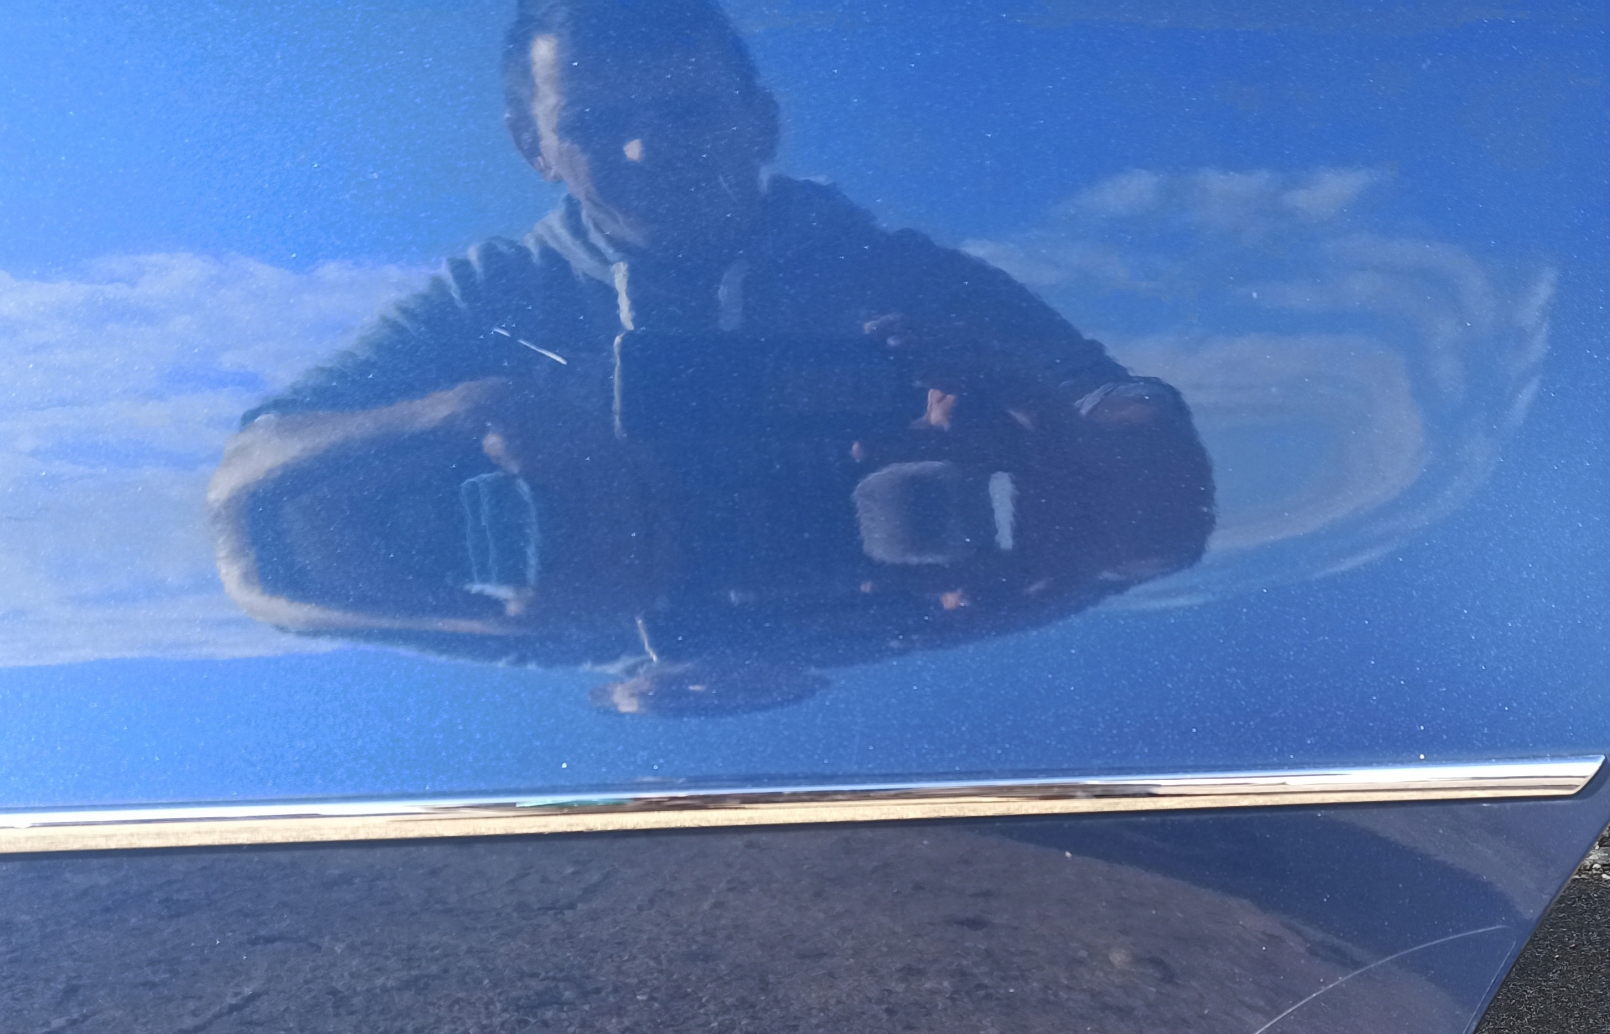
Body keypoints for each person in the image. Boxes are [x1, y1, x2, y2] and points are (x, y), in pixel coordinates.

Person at [210, 0, 1213, 707]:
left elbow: (1142, 438)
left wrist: (1044, 438)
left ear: (759, 123)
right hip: (652, 746)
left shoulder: (901, 276)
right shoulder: (494, 295)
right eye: (597, 124)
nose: (648, 150)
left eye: (686, 111)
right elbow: (249, 474)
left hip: (913, 724)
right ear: (534, 147)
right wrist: (466, 412)